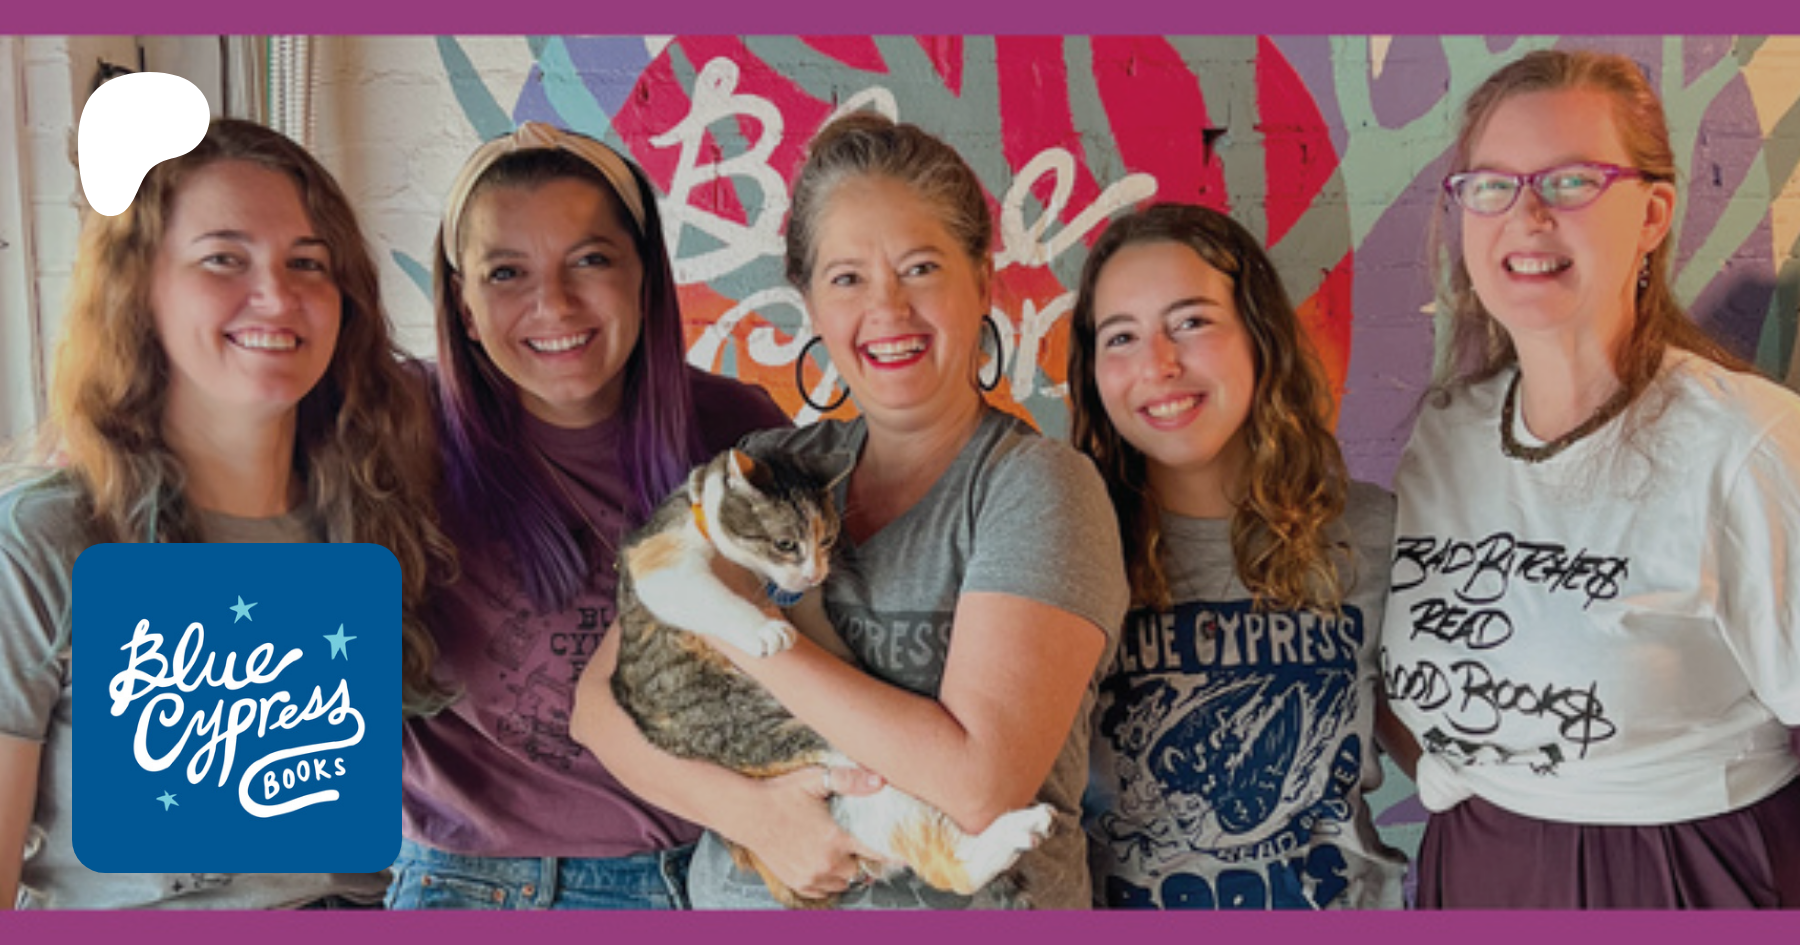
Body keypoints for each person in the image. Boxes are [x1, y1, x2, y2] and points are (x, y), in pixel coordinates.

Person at [571, 111, 1131, 909]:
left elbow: (980, 786)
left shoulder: (1035, 488)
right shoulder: (768, 463)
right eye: (847, 279)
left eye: (920, 268)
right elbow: (598, 708)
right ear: (809, 302)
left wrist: (733, 627)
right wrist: (755, 816)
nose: (888, 309)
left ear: (982, 280)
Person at [1381, 48, 1800, 908]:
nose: (1527, 215)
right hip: (1474, 869)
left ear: (1652, 214)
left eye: (1571, 182)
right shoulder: (1446, 434)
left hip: (1682, 877)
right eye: (1492, 186)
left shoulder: (1748, 443)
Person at [0, 118, 453, 909]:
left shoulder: (377, 521)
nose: (277, 295)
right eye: (224, 258)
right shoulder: (45, 542)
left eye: (307, 262)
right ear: (140, 287)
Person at [390, 122, 791, 910]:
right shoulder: (399, 426)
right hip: (473, 884)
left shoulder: (738, 431)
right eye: (507, 272)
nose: (554, 303)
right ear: (464, 305)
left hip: (711, 872)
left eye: (591, 260)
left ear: (645, 277)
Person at [1066, 203, 1408, 910]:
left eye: (1191, 322)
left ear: (1258, 334)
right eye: (1121, 336)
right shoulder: (1062, 547)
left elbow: (1456, 753)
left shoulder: (1375, 530)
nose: (1158, 364)